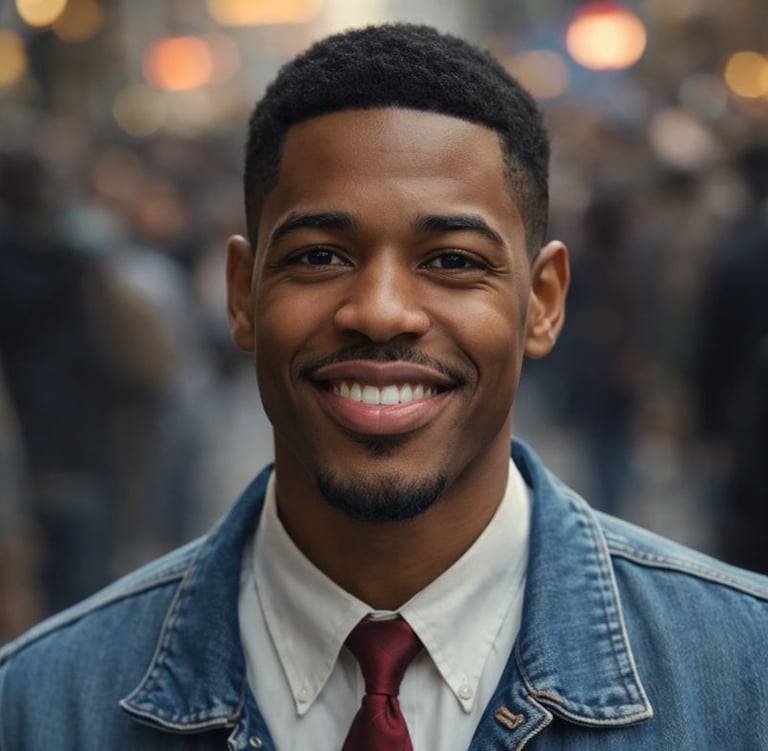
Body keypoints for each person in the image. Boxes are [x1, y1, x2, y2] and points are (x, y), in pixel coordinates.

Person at [2, 23, 768, 751]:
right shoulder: (41, 704)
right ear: (242, 294)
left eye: (453, 261)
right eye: (320, 256)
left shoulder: (745, 676)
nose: (381, 311)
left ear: (543, 302)